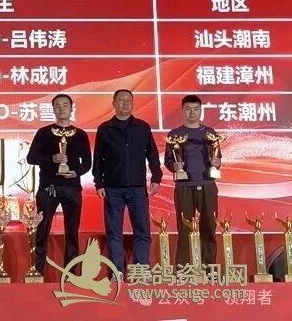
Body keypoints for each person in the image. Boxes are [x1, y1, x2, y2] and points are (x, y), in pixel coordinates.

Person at [92, 89, 162, 281]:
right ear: (113, 103)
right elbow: (98, 159)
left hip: (138, 188)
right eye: (121, 100)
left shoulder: (142, 127)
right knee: (114, 232)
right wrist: (98, 183)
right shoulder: (105, 129)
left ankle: (142, 269)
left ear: (132, 103)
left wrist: (156, 178)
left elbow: (153, 155)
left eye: (129, 100)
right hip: (112, 188)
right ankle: (117, 271)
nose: (125, 103)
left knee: (142, 231)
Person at [26, 93, 92, 275]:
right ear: (53, 109)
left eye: (65, 105)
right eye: (58, 106)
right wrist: (52, 159)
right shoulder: (44, 133)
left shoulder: (80, 135)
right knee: (42, 230)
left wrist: (76, 172)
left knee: (72, 232)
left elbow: (87, 162)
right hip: (49, 188)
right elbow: (31, 158)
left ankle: (70, 274)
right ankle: (36, 271)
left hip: (72, 188)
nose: (62, 109)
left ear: (71, 108)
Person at [164, 94, 220, 269]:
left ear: (200, 111)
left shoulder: (210, 134)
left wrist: (217, 162)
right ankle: (184, 269)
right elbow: (168, 161)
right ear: (182, 111)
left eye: (196, 109)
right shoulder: (174, 135)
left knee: (209, 226)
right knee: (184, 228)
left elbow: (218, 158)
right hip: (184, 186)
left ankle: (209, 268)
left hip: (207, 185)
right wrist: (175, 166)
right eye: (188, 109)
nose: (192, 112)